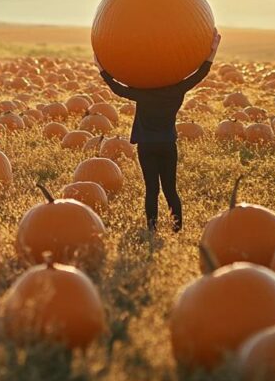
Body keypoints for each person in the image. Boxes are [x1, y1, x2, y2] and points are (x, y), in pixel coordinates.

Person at [93, 31, 221, 233]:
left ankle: (152, 229)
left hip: (147, 145)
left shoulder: (143, 91)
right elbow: (200, 74)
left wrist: (101, 67)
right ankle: (177, 229)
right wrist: (212, 51)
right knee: (170, 190)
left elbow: (117, 89)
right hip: (167, 145)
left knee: (151, 190)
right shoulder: (176, 90)